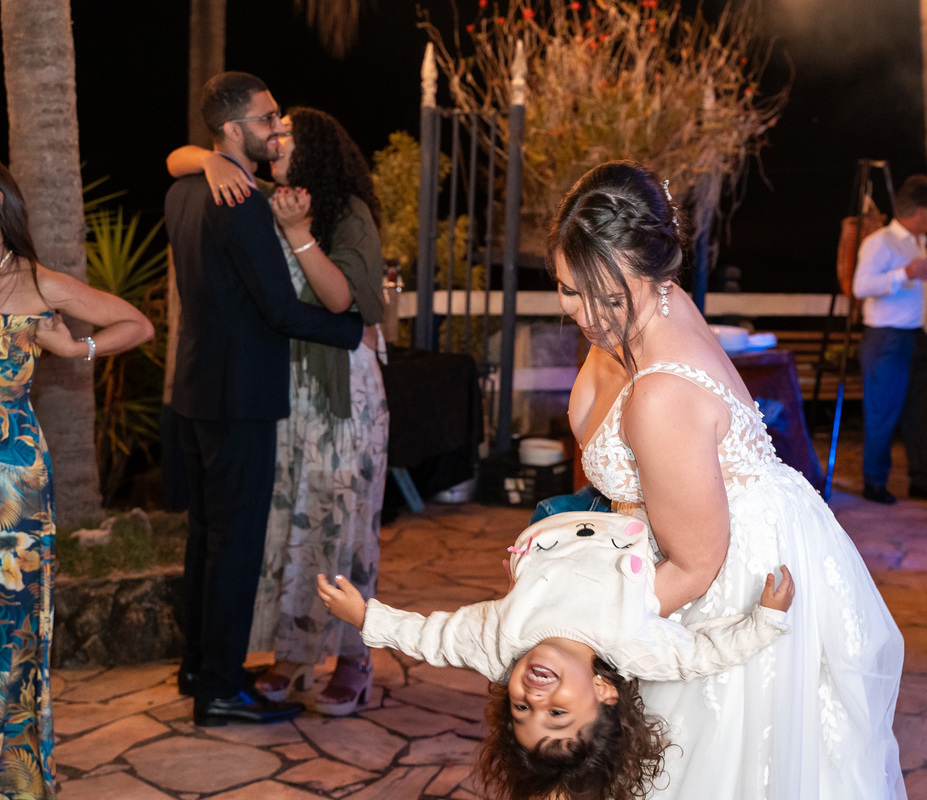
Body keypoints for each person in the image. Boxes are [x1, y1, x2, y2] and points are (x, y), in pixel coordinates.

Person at [548, 161, 906, 799]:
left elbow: (694, 567)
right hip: (699, 538)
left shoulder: (662, 392)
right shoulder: (652, 304)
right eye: (568, 289)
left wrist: (571, 630)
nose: (584, 314)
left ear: (652, 269)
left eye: (602, 294)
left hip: (724, 588)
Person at [317, 510, 796, 800]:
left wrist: (365, 618)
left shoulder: (497, 645)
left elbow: (430, 638)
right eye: (559, 713)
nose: (535, 697)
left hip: (551, 521)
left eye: (522, 709)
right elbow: (704, 655)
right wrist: (765, 620)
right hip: (625, 516)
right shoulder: (634, 646)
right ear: (604, 691)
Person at [167, 106, 389, 716]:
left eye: (287, 131)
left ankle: (354, 658)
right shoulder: (260, 196)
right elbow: (174, 160)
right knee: (289, 528)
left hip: (339, 393)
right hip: (279, 391)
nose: (276, 136)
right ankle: (292, 657)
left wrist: (299, 234)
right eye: (273, 125)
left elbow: (346, 300)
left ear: (312, 147)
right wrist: (209, 157)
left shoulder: (347, 214)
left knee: (341, 525)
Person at [0, 161, 154, 796]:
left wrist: (72, 350)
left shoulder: (38, 283)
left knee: (14, 629)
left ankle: (17, 780)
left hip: (12, 484)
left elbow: (137, 324)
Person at [853, 174, 927, 505]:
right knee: (883, 411)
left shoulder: (918, 243)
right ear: (921, 211)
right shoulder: (880, 242)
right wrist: (902, 274)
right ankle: (874, 482)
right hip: (887, 338)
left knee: (921, 413)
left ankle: (922, 480)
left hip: (916, 335)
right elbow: (861, 287)